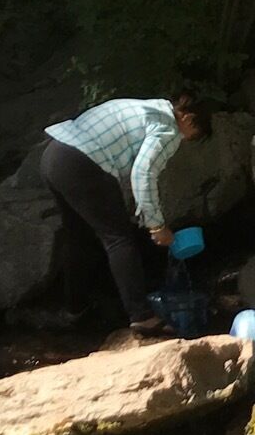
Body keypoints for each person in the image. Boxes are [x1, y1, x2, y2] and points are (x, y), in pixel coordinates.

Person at [41, 95, 208, 337]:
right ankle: (142, 317)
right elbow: (143, 174)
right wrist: (156, 225)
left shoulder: (145, 107)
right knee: (119, 239)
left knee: (78, 238)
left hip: (54, 155)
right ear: (189, 119)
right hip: (83, 164)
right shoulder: (168, 129)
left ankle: (75, 310)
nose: (184, 141)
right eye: (191, 136)